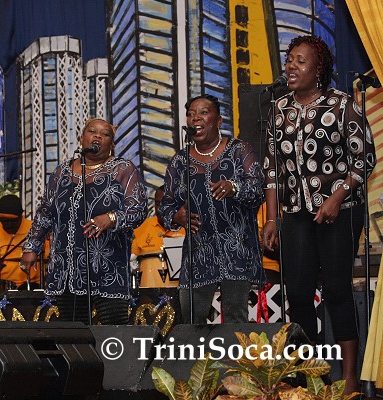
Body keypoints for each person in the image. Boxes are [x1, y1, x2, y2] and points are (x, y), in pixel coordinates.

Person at [262, 35, 376, 395]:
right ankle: (309, 375)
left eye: (301, 61)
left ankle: (350, 377)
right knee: (297, 293)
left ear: (318, 69)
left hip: (341, 212)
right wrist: (271, 218)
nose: (291, 66)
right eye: (289, 59)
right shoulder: (278, 109)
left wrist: (337, 196)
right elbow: (272, 168)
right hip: (297, 213)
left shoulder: (342, 105)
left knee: (338, 290)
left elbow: (364, 160)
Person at [19, 118, 147, 325]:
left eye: (105, 134)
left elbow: (139, 210)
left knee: (114, 330)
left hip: (107, 269)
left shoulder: (123, 169)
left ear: (112, 144)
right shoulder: (62, 172)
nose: (97, 136)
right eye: (92, 131)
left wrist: (112, 218)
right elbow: (45, 212)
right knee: (73, 331)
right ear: (81, 138)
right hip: (66, 270)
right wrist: (31, 247)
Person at [158, 94, 265, 324]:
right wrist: (176, 216)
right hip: (198, 253)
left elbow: (258, 189)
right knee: (190, 318)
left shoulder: (239, 150)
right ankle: (196, 351)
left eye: (203, 112)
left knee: (236, 318)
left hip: (237, 249)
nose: (195, 117)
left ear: (218, 121)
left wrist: (234, 187)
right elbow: (165, 205)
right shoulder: (180, 161)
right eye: (190, 114)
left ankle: (234, 351)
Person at [0, 194, 44, 290]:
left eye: (14, 221)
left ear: (21, 215)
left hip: (31, 287)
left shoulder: (37, 231)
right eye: (5, 221)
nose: (9, 225)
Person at [131, 185, 184, 287]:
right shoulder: (141, 228)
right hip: (148, 291)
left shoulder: (188, 227)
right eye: (158, 204)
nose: (161, 209)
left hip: (183, 290)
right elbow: (133, 260)